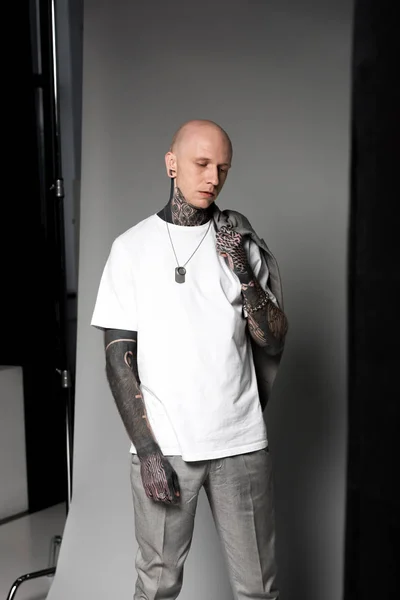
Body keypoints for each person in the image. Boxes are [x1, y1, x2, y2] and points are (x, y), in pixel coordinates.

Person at [91, 119, 289, 599]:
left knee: (257, 590)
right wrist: (149, 452)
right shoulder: (131, 249)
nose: (213, 178)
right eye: (201, 164)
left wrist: (242, 271)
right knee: (157, 586)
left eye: (222, 168)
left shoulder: (238, 244)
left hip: (239, 442)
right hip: (166, 447)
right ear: (171, 163)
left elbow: (274, 338)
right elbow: (119, 360)